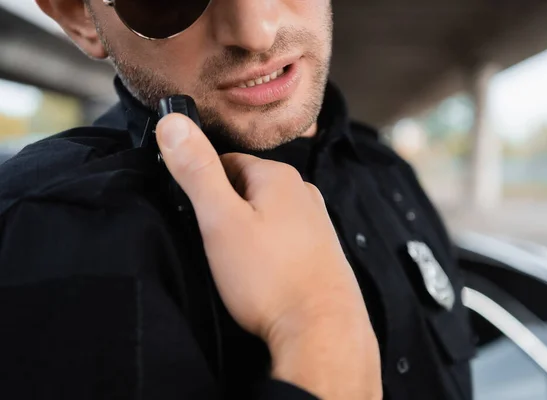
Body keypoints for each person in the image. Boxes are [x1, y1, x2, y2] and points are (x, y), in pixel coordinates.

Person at [0, 0, 475, 399]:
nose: (256, 31)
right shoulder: (49, 231)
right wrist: (318, 331)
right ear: (78, 16)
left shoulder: (390, 174)